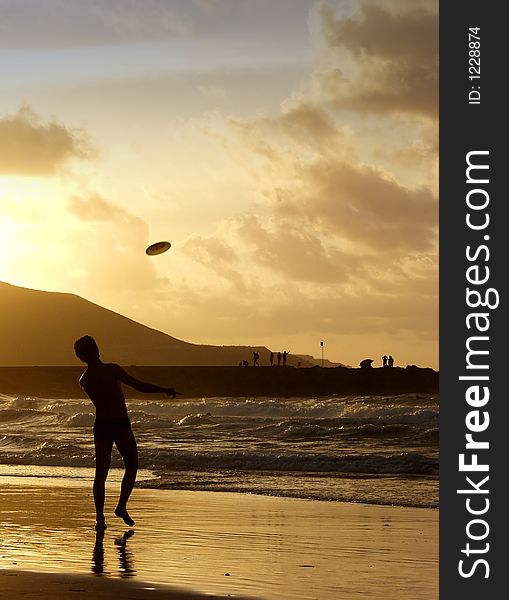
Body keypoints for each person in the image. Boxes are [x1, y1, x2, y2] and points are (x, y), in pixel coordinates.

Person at [74, 335, 180, 531]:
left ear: (80, 357)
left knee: (101, 473)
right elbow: (139, 386)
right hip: (120, 423)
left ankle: (100, 518)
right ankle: (121, 506)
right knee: (131, 466)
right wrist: (164, 390)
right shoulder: (111, 369)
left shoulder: (84, 379)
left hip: (102, 425)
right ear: (97, 349)